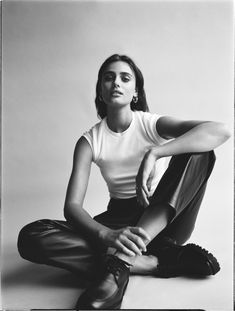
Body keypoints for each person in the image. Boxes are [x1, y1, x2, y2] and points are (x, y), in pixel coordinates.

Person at [17, 54, 230, 310]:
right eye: (109, 78)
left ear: (135, 92)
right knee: (32, 236)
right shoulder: (89, 141)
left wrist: (156, 152)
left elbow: (221, 130)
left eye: (124, 78)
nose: (116, 82)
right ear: (100, 90)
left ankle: (120, 261)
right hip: (119, 221)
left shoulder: (151, 124)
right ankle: (153, 262)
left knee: (200, 150)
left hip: (165, 218)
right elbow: (72, 207)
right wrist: (106, 234)